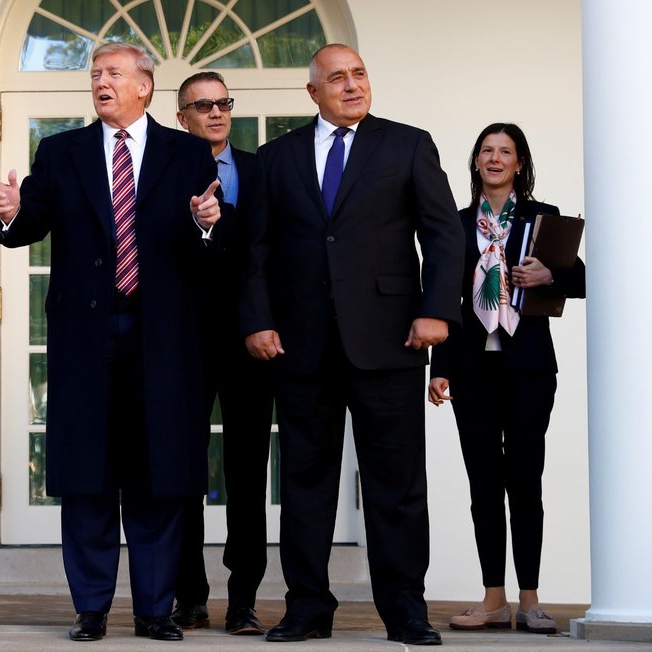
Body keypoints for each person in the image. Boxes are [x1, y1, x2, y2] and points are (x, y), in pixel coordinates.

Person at [0, 42, 222, 643]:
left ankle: (154, 611)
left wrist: (208, 222)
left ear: (144, 85)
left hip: (162, 338)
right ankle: (90, 609)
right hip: (86, 336)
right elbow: (28, 221)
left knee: (156, 476)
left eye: (113, 73)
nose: (101, 82)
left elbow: (211, 234)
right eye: (95, 75)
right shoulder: (61, 151)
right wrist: (11, 211)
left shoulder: (188, 152)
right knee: (88, 474)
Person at [241, 43, 464, 646]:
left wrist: (437, 312)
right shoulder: (275, 158)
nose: (352, 85)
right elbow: (254, 251)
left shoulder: (407, 144)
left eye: (359, 74)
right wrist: (257, 320)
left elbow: (445, 237)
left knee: (396, 485)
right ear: (312, 92)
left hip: (390, 341)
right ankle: (307, 608)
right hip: (301, 346)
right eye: (337, 78)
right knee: (305, 485)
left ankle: (405, 611)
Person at [428, 123, 586, 635]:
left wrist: (551, 276)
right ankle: (493, 599)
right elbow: (444, 296)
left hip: (529, 368)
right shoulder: (453, 223)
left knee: (525, 479)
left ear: (520, 163)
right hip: (472, 368)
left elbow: (581, 278)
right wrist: (440, 367)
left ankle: (531, 600)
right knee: (482, 483)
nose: (495, 159)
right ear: (476, 161)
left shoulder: (544, 220)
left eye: (506, 152)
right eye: (487, 151)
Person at [171, 71, 274, 636]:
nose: (215, 113)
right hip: (182, 341)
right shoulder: (162, 168)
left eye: (223, 103)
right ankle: (189, 596)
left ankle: (243, 599)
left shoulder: (260, 171)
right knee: (182, 472)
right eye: (202, 105)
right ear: (181, 114)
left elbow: (273, 247)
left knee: (247, 474)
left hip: (248, 341)